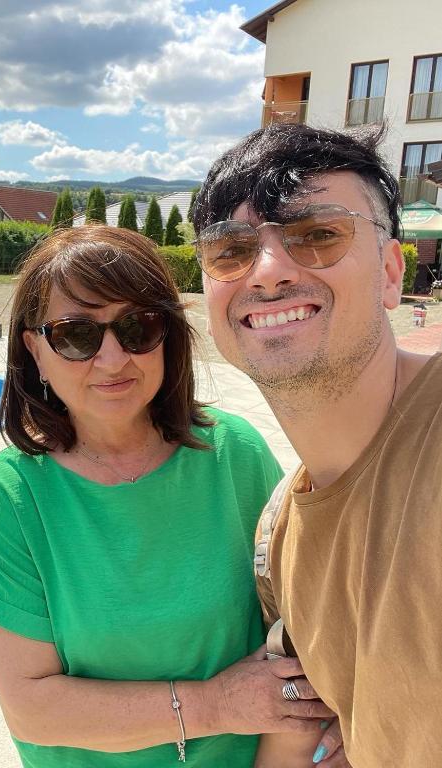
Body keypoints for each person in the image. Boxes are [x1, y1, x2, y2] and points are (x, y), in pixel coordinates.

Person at [0, 225, 336, 767]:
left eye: (138, 326)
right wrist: (218, 704)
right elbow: (33, 707)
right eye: (76, 335)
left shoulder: (235, 454)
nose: (113, 359)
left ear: (169, 334)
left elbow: (311, 620)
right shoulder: (16, 491)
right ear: (34, 351)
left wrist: (340, 716)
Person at [191, 123, 442, 767]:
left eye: (319, 235)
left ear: (390, 274)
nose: (269, 271)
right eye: (230, 251)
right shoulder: (281, 535)